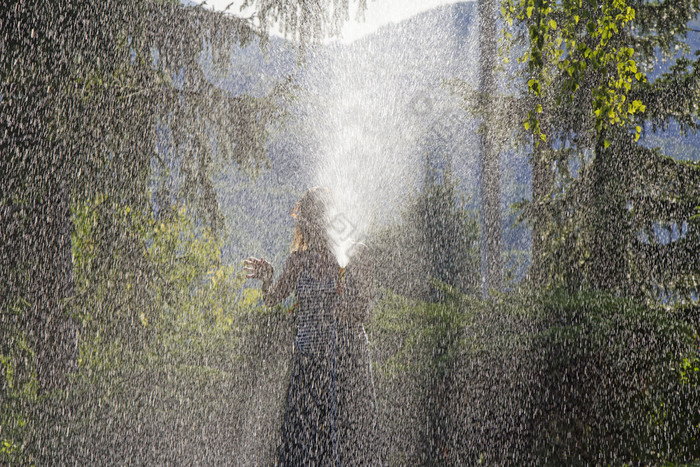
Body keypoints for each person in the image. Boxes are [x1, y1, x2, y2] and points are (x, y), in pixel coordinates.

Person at [244, 187, 381, 466]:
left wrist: (348, 311)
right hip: (308, 361)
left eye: (315, 218)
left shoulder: (351, 256)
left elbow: (366, 310)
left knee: (346, 435)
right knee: (304, 439)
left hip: (345, 360)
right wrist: (268, 278)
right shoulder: (298, 261)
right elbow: (272, 298)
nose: (310, 225)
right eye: (306, 220)